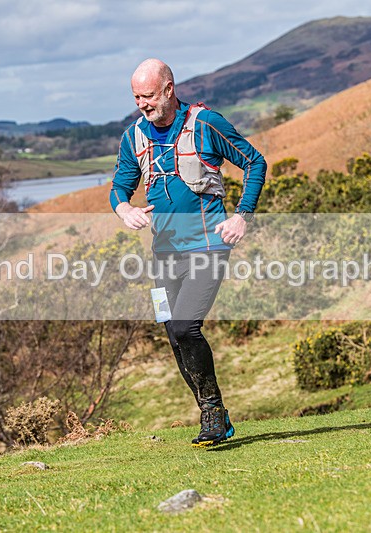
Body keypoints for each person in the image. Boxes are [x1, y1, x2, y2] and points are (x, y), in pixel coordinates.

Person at [110, 58, 266, 447]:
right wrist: (124, 209)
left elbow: (254, 162)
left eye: (148, 96)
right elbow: (119, 186)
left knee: (185, 326)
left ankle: (213, 412)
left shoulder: (207, 124)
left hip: (208, 245)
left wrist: (242, 216)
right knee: (171, 329)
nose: (142, 104)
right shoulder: (133, 137)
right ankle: (213, 416)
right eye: (135, 97)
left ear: (168, 89)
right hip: (163, 253)